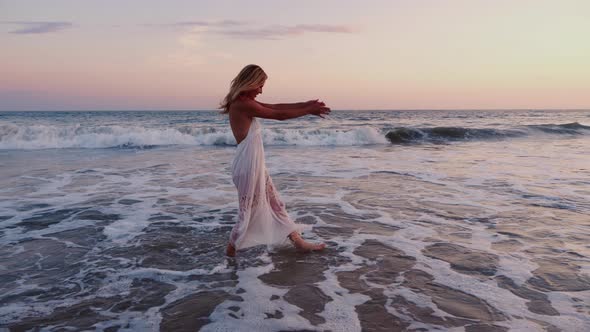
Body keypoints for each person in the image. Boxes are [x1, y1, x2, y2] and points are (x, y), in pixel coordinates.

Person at [220, 64, 330, 257]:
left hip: (254, 165)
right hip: (247, 167)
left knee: (276, 203)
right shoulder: (242, 104)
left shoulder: (246, 102)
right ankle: (230, 252)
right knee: (246, 213)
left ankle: (298, 242)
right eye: (260, 85)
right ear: (250, 82)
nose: (261, 90)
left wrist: (305, 104)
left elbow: (276, 107)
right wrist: (307, 110)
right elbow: (279, 115)